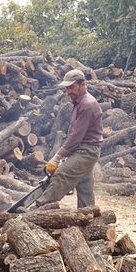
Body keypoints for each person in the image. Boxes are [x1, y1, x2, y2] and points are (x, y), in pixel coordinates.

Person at [33, 69, 103, 208]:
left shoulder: (87, 104)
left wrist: (57, 157)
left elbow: (76, 136)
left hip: (87, 151)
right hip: (84, 149)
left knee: (61, 175)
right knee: (84, 184)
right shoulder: (79, 102)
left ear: (82, 85)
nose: (68, 91)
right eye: (67, 88)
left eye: (72, 87)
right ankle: (88, 213)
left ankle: (38, 208)